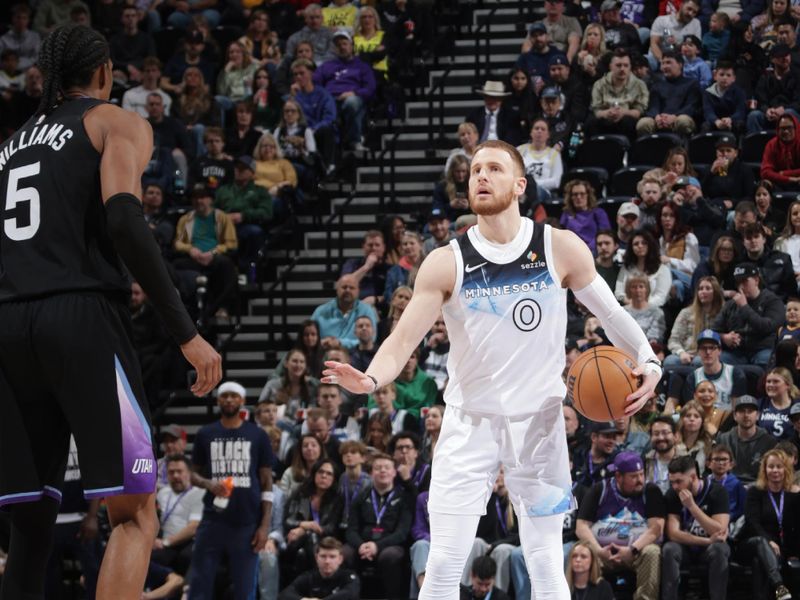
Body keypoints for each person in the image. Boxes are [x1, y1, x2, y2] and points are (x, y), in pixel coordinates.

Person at [323, 140, 662, 600]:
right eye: (475, 169)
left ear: (520, 184)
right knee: (443, 561)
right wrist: (370, 379)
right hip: (469, 424)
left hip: (539, 425)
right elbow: (402, 339)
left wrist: (648, 359)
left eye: (494, 168)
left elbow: (612, 313)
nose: (480, 176)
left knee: (545, 560)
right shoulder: (447, 261)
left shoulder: (558, 247)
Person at [0, 23, 221, 600]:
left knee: (30, 527)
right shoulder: (113, 121)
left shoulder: (8, 145)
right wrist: (186, 333)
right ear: (103, 73)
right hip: (80, 319)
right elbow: (124, 218)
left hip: (7, 327)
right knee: (135, 511)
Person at [188, 380, 274, 599]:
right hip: (212, 519)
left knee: (245, 588)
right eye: (224, 396)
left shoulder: (258, 435)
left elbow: (266, 481)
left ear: (242, 401)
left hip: (247, 521)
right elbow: (192, 474)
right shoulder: (206, 433)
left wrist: (264, 525)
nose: (229, 400)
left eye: (233, 396)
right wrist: (208, 484)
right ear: (218, 400)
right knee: (199, 583)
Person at [575, 451, 665, 600]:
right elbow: (581, 526)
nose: (640, 480)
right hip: (603, 551)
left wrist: (632, 550)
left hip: (636, 552)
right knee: (581, 552)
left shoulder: (650, 491)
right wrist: (598, 551)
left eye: (641, 474)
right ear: (618, 476)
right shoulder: (599, 490)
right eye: (633, 476)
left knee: (652, 552)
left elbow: (656, 529)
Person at [344, 453, 415, 600]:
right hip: (362, 544)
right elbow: (351, 530)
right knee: (345, 553)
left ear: (394, 472)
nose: (382, 471)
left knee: (389, 556)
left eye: (387, 468)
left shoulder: (403, 497)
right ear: (371, 473)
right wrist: (360, 545)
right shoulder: (361, 497)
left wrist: (377, 546)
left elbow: (402, 532)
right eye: (378, 468)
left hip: (391, 544)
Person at [661, 455, 731, 600]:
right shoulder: (672, 494)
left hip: (709, 551)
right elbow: (673, 534)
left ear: (693, 477)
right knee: (669, 548)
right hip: (687, 548)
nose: (675, 486)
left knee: (719, 549)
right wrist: (706, 541)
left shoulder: (717, 492)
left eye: (679, 481)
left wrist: (692, 507)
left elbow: (719, 531)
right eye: (672, 482)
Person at [172, 186, 239, 320]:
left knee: (226, 265)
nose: (198, 201)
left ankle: (223, 308)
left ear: (210, 200)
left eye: (202, 197)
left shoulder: (222, 217)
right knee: (174, 266)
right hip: (194, 257)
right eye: (195, 198)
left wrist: (213, 252)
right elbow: (177, 243)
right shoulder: (185, 219)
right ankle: (183, 309)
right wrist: (190, 249)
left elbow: (232, 243)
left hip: (214, 257)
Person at [741, 449, 799, 600]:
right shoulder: (755, 492)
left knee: (760, 562)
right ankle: (779, 585)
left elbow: (795, 527)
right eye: (771, 466)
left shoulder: (792, 496)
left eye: (779, 466)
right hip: (753, 542)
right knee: (762, 544)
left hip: (779, 549)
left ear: (785, 469)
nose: (775, 470)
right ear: (764, 469)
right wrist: (769, 541)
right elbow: (752, 522)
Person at [713, 262, 785, 368]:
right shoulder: (731, 304)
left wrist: (744, 307)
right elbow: (713, 331)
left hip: (762, 349)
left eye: (745, 281)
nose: (741, 286)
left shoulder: (772, 301)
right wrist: (724, 337)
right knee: (714, 360)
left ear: (756, 280)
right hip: (736, 353)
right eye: (738, 283)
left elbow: (767, 326)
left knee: (766, 360)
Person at [313, 30, 376, 151]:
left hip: (353, 98)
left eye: (344, 43)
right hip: (330, 99)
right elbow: (315, 82)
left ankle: (354, 141)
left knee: (352, 102)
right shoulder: (327, 66)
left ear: (352, 46)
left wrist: (354, 93)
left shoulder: (362, 66)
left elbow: (370, 88)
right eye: (338, 45)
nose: (341, 47)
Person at [282, 458, 344, 577]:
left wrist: (305, 529)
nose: (324, 476)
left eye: (329, 474)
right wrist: (304, 525)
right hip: (295, 538)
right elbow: (288, 520)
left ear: (334, 478)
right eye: (321, 472)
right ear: (314, 474)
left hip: (325, 540)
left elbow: (331, 528)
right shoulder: (300, 492)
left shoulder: (337, 498)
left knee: (306, 547)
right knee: (304, 543)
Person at [152, 454, 204, 575]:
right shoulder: (163, 493)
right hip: (165, 543)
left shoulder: (199, 494)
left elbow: (193, 528)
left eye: (179, 471)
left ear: (190, 473)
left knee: (187, 557)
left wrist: (166, 542)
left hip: (187, 541)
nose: (175, 476)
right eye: (171, 472)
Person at [636, 51, 702, 137]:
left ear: (680, 65)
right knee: (643, 123)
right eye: (663, 63)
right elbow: (653, 106)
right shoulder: (657, 85)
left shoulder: (692, 83)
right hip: (660, 120)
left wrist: (674, 117)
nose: (665, 66)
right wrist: (657, 117)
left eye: (669, 62)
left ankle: (683, 149)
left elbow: (691, 106)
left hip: (680, 118)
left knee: (683, 121)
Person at [717, 395, 779, 484]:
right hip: (728, 486)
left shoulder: (769, 442)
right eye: (742, 411)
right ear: (734, 415)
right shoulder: (723, 439)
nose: (746, 415)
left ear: (757, 415)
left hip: (758, 487)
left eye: (750, 411)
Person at [278, 536, 360, 600]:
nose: (327, 561)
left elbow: (350, 593)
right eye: (323, 556)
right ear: (317, 558)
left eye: (332, 557)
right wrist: (303, 599)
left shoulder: (349, 577)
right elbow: (285, 594)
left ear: (340, 559)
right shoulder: (309, 577)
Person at [311, 275, 378, 350]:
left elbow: (372, 339)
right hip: (325, 354)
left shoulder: (367, 310)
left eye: (352, 288)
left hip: (358, 357)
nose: (348, 290)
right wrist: (321, 342)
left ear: (358, 291)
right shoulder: (320, 311)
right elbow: (309, 336)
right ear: (337, 289)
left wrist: (340, 343)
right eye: (344, 287)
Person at [615, 230, 673, 308]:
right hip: (628, 309)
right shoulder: (626, 268)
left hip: (654, 312)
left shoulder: (663, 269)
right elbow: (619, 292)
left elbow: (661, 297)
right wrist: (630, 303)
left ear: (650, 245)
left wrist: (641, 305)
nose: (640, 246)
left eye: (644, 243)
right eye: (636, 244)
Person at [741, 223, 796, 302]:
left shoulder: (783, 259)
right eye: (749, 238)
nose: (753, 241)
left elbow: (792, 293)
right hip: (749, 308)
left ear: (764, 239)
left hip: (779, 306)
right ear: (743, 242)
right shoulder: (738, 264)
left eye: (756, 236)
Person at [558, 180, 611, 255]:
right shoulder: (566, 214)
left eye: (582, 194)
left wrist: (587, 248)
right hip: (573, 251)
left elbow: (605, 234)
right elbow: (562, 237)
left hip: (594, 250)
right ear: (571, 197)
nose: (579, 197)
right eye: (575, 194)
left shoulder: (599, 212)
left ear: (588, 195)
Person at [465, 81, 525, 146]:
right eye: (488, 97)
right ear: (484, 98)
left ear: (501, 99)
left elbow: (513, 139)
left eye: (496, 98)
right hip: (478, 150)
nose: (491, 100)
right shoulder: (474, 115)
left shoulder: (512, 116)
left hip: (502, 150)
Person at [517, 118, 563, 201]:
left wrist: (532, 185)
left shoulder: (554, 154)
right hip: (520, 189)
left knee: (532, 192)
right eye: (536, 128)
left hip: (543, 192)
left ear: (548, 134)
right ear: (531, 132)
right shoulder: (520, 150)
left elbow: (556, 182)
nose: (539, 131)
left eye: (543, 129)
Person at [341, 230, 389, 305]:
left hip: (381, 307)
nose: (373, 248)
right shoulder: (352, 263)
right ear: (363, 247)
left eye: (377, 245)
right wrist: (366, 267)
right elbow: (344, 284)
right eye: (370, 245)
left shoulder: (391, 269)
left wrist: (376, 299)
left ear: (384, 247)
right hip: (354, 305)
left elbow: (393, 294)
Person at [644, 416, 687, 493]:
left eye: (665, 433)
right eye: (656, 434)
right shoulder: (645, 461)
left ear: (675, 436)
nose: (661, 438)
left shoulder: (686, 461)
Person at [761, 113, 800, 190]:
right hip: (779, 183)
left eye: (789, 128)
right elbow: (765, 172)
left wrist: (785, 173)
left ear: (796, 128)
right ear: (777, 130)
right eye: (782, 128)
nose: (786, 131)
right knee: (764, 184)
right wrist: (789, 179)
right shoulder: (771, 144)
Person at [758, 367, 799, 439]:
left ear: (788, 385)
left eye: (776, 381)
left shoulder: (797, 405)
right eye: (768, 381)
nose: (770, 385)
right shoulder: (760, 404)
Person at [675, 401, 714, 474]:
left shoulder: (709, 445)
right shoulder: (673, 443)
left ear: (702, 421)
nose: (692, 419)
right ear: (682, 419)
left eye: (696, 416)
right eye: (688, 416)